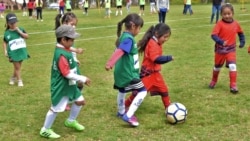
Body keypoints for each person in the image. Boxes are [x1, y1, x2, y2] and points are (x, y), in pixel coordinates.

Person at [39, 25, 91, 139]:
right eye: (71, 39)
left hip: (70, 84)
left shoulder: (64, 48)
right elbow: (66, 74)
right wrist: (83, 78)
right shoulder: (61, 55)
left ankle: (71, 121)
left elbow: (69, 50)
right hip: (61, 86)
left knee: (80, 101)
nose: (73, 41)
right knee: (55, 108)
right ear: (63, 39)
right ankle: (45, 129)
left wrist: (76, 52)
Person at [105, 13, 146, 127]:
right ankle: (128, 114)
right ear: (133, 26)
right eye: (139, 28)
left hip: (122, 72)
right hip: (129, 74)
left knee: (122, 90)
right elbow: (119, 51)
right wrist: (110, 63)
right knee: (143, 91)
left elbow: (119, 50)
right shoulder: (128, 39)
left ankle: (121, 111)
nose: (139, 31)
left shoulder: (124, 37)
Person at [125, 23, 173, 111]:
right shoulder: (152, 44)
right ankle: (126, 105)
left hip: (155, 74)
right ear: (157, 34)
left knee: (164, 90)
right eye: (165, 37)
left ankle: (169, 108)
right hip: (148, 75)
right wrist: (168, 58)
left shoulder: (157, 42)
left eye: (167, 37)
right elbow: (156, 59)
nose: (166, 39)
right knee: (139, 93)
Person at [208, 3, 245, 94]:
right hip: (220, 50)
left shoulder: (236, 24)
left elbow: (241, 33)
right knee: (217, 67)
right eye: (225, 14)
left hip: (231, 49)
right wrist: (221, 41)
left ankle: (233, 85)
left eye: (229, 13)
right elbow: (213, 35)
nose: (227, 16)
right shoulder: (219, 24)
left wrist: (242, 42)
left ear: (232, 13)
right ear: (221, 14)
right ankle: (214, 80)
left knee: (233, 66)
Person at [55, 12, 84, 111]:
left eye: (75, 25)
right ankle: (66, 101)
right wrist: (76, 51)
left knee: (78, 83)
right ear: (64, 23)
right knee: (72, 82)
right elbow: (65, 50)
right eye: (72, 24)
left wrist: (76, 59)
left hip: (72, 62)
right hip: (66, 64)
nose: (74, 27)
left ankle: (70, 99)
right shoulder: (62, 36)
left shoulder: (69, 34)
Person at [3, 13, 29, 87]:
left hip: (21, 51)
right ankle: (19, 81)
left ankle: (13, 78)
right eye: (12, 23)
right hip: (13, 52)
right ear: (8, 23)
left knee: (18, 66)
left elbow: (27, 36)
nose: (14, 24)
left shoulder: (20, 29)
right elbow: (4, 42)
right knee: (17, 67)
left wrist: (19, 32)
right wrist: (5, 51)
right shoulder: (7, 33)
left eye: (15, 22)